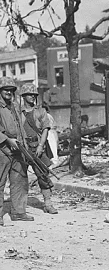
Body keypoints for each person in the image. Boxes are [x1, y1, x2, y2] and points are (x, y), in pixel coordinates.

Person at [20, 83, 58, 214]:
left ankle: (48, 203)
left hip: (37, 147)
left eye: (34, 95)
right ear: (23, 96)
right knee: (20, 177)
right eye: (29, 94)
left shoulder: (41, 111)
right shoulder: (18, 113)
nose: (32, 97)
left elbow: (45, 129)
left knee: (43, 176)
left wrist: (41, 146)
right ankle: (20, 207)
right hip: (23, 149)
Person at [0, 77, 34, 225]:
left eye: (11, 90)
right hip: (2, 149)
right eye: (6, 89)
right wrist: (7, 140)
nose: (9, 92)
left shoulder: (14, 106)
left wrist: (24, 144)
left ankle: (19, 212)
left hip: (17, 148)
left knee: (20, 180)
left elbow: (20, 126)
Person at [42, 102, 59, 168]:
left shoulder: (47, 116)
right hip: (48, 133)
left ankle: (53, 162)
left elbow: (52, 126)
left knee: (52, 147)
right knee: (48, 148)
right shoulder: (44, 116)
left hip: (50, 133)